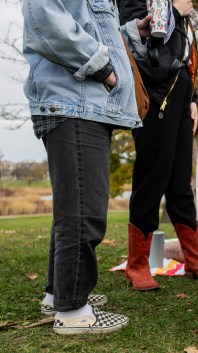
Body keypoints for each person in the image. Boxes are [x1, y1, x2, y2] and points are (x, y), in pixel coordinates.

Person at [22, 0, 144, 334]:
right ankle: (73, 311)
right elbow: (42, 16)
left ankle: (57, 294)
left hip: (80, 102)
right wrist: (103, 67)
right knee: (83, 212)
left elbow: (89, 27)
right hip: (74, 102)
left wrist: (131, 34)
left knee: (71, 208)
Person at [119, 0, 198, 291]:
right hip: (153, 96)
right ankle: (137, 265)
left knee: (181, 181)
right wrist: (172, 11)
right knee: (152, 177)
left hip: (180, 99)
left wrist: (192, 99)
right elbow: (131, 39)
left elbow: (183, 52)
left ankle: (195, 261)